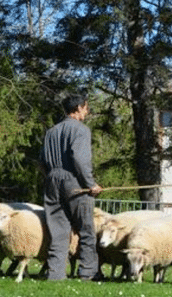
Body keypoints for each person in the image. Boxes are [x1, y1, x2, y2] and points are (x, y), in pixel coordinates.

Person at [39, 94, 103, 281]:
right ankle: (89, 272)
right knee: (86, 230)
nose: (87, 111)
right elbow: (79, 159)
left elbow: (41, 160)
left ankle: (56, 274)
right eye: (86, 107)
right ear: (78, 109)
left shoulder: (51, 131)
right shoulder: (81, 130)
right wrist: (90, 184)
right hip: (74, 181)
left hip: (52, 180)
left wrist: (51, 176)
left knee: (58, 231)